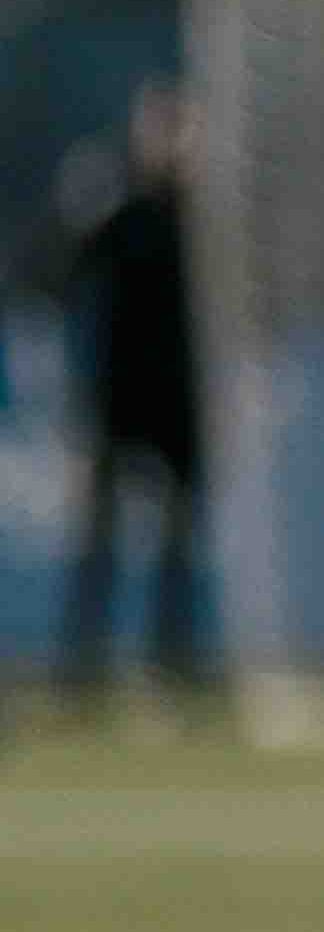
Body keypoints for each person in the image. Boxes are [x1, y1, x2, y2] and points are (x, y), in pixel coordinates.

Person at [49, 84, 209, 709]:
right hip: (118, 396)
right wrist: (78, 213)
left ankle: (170, 670)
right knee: (98, 537)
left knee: (176, 540)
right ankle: (80, 671)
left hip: (179, 400)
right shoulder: (119, 206)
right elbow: (59, 271)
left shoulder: (207, 217)